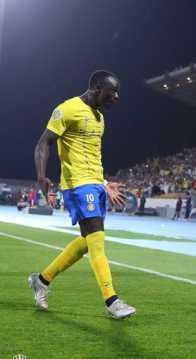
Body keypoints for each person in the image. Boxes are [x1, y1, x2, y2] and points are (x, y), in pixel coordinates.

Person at [29, 70, 135, 319]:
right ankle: (112, 300)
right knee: (97, 241)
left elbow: (91, 156)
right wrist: (41, 176)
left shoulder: (99, 118)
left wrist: (105, 183)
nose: (117, 97)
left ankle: (42, 280)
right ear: (98, 88)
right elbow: (43, 143)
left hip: (95, 185)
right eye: (113, 91)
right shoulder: (67, 109)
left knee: (88, 242)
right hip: (77, 185)